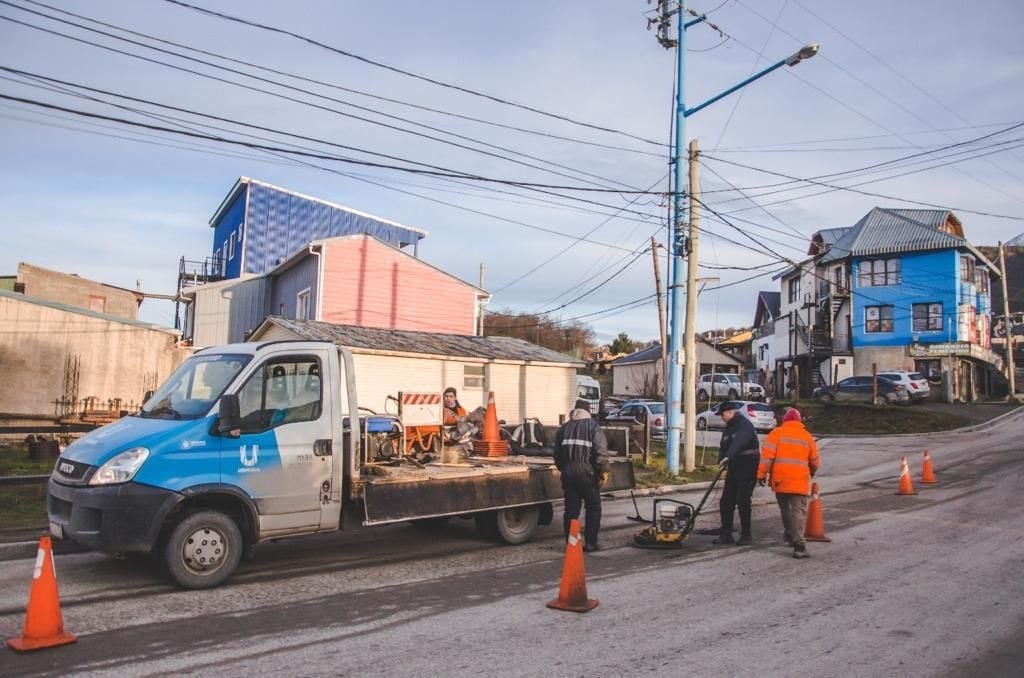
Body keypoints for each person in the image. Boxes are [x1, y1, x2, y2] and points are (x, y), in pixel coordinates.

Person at [758, 407, 820, 559]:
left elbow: (767, 457)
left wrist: (761, 474)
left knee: (785, 509)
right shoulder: (807, 436)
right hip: (799, 481)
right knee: (798, 512)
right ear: (799, 421)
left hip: (780, 481)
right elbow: (815, 460)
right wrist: (812, 469)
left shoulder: (776, 434)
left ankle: (789, 535)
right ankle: (799, 545)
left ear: (784, 421)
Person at [553, 406, 609, 552]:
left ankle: (571, 544)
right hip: (587, 472)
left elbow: (556, 453)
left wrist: (563, 468)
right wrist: (603, 471)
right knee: (593, 507)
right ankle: (591, 543)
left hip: (568, 471)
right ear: (588, 412)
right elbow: (600, 451)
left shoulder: (564, 428)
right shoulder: (593, 427)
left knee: (571, 509)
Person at [713, 401, 761, 546]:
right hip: (734, 466)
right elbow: (724, 445)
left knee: (743, 500)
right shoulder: (728, 428)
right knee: (726, 501)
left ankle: (746, 534)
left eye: (722, 415)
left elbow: (739, 442)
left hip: (748, 465)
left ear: (730, 412)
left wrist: (729, 455)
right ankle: (726, 533)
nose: (721, 417)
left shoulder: (744, 425)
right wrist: (722, 459)